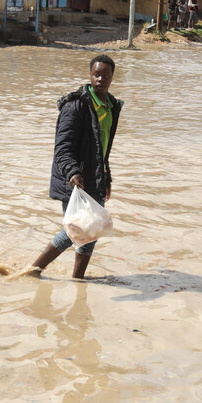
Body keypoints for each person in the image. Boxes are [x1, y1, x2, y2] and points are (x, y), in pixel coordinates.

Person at [28, 54, 122, 280]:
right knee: (77, 230)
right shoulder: (75, 106)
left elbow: (103, 149)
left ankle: (78, 279)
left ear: (111, 77)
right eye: (96, 74)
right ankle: (33, 270)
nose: (100, 79)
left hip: (96, 178)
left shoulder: (112, 107)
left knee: (93, 230)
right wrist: (72, 172)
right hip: (74, 179)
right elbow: (62, 147)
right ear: (90, 75)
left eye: (105, 75)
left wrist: (107, 179)